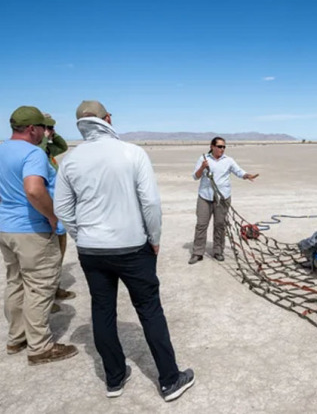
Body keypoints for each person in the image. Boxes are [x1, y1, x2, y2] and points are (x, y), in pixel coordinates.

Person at [54, 100, 194, 401]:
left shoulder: (71, 160)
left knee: (102, 312)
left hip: (92, 251)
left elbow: (62, 207)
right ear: (108, 118)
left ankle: (114, 379)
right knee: (150, 310)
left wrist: (84, 237)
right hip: (133, 248)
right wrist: (154, 238)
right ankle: (170, 380)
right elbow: (151, 203)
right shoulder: (132, 153)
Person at [0, 106, 78, 365]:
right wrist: (52, 215)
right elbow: (34, 190)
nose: (44, 133)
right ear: (32, 129)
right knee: (39, 286)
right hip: (31, 229)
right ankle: (40, 347)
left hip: (6, 229)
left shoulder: (1, 149)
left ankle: (16, 338)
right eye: (42, 128)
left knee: (15, 282)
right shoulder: (32, 153)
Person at [188, 137, 259, 264]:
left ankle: (218, 251)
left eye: (224, 147)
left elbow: (238, 171)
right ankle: (197, 253)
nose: (222, 149)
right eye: (219, 146)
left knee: (220, 225)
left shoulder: (228, 160)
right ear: (212, 146)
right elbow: (195, 176)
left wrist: (247, 176)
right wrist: (202, 167)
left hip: (223, 198)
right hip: (205, 197)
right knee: (201, 225)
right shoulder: (204, 159)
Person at [39, 113, 75, 306]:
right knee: (46, 261)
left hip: (57, 213)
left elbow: (62, 146)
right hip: (46, 215)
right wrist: (44, 137)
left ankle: (55, 289)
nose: (51, 131)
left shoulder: (47, 151)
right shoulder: (36, 152)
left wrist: (52, 134)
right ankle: (45, 300)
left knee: (58, 256)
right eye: (48, 128)